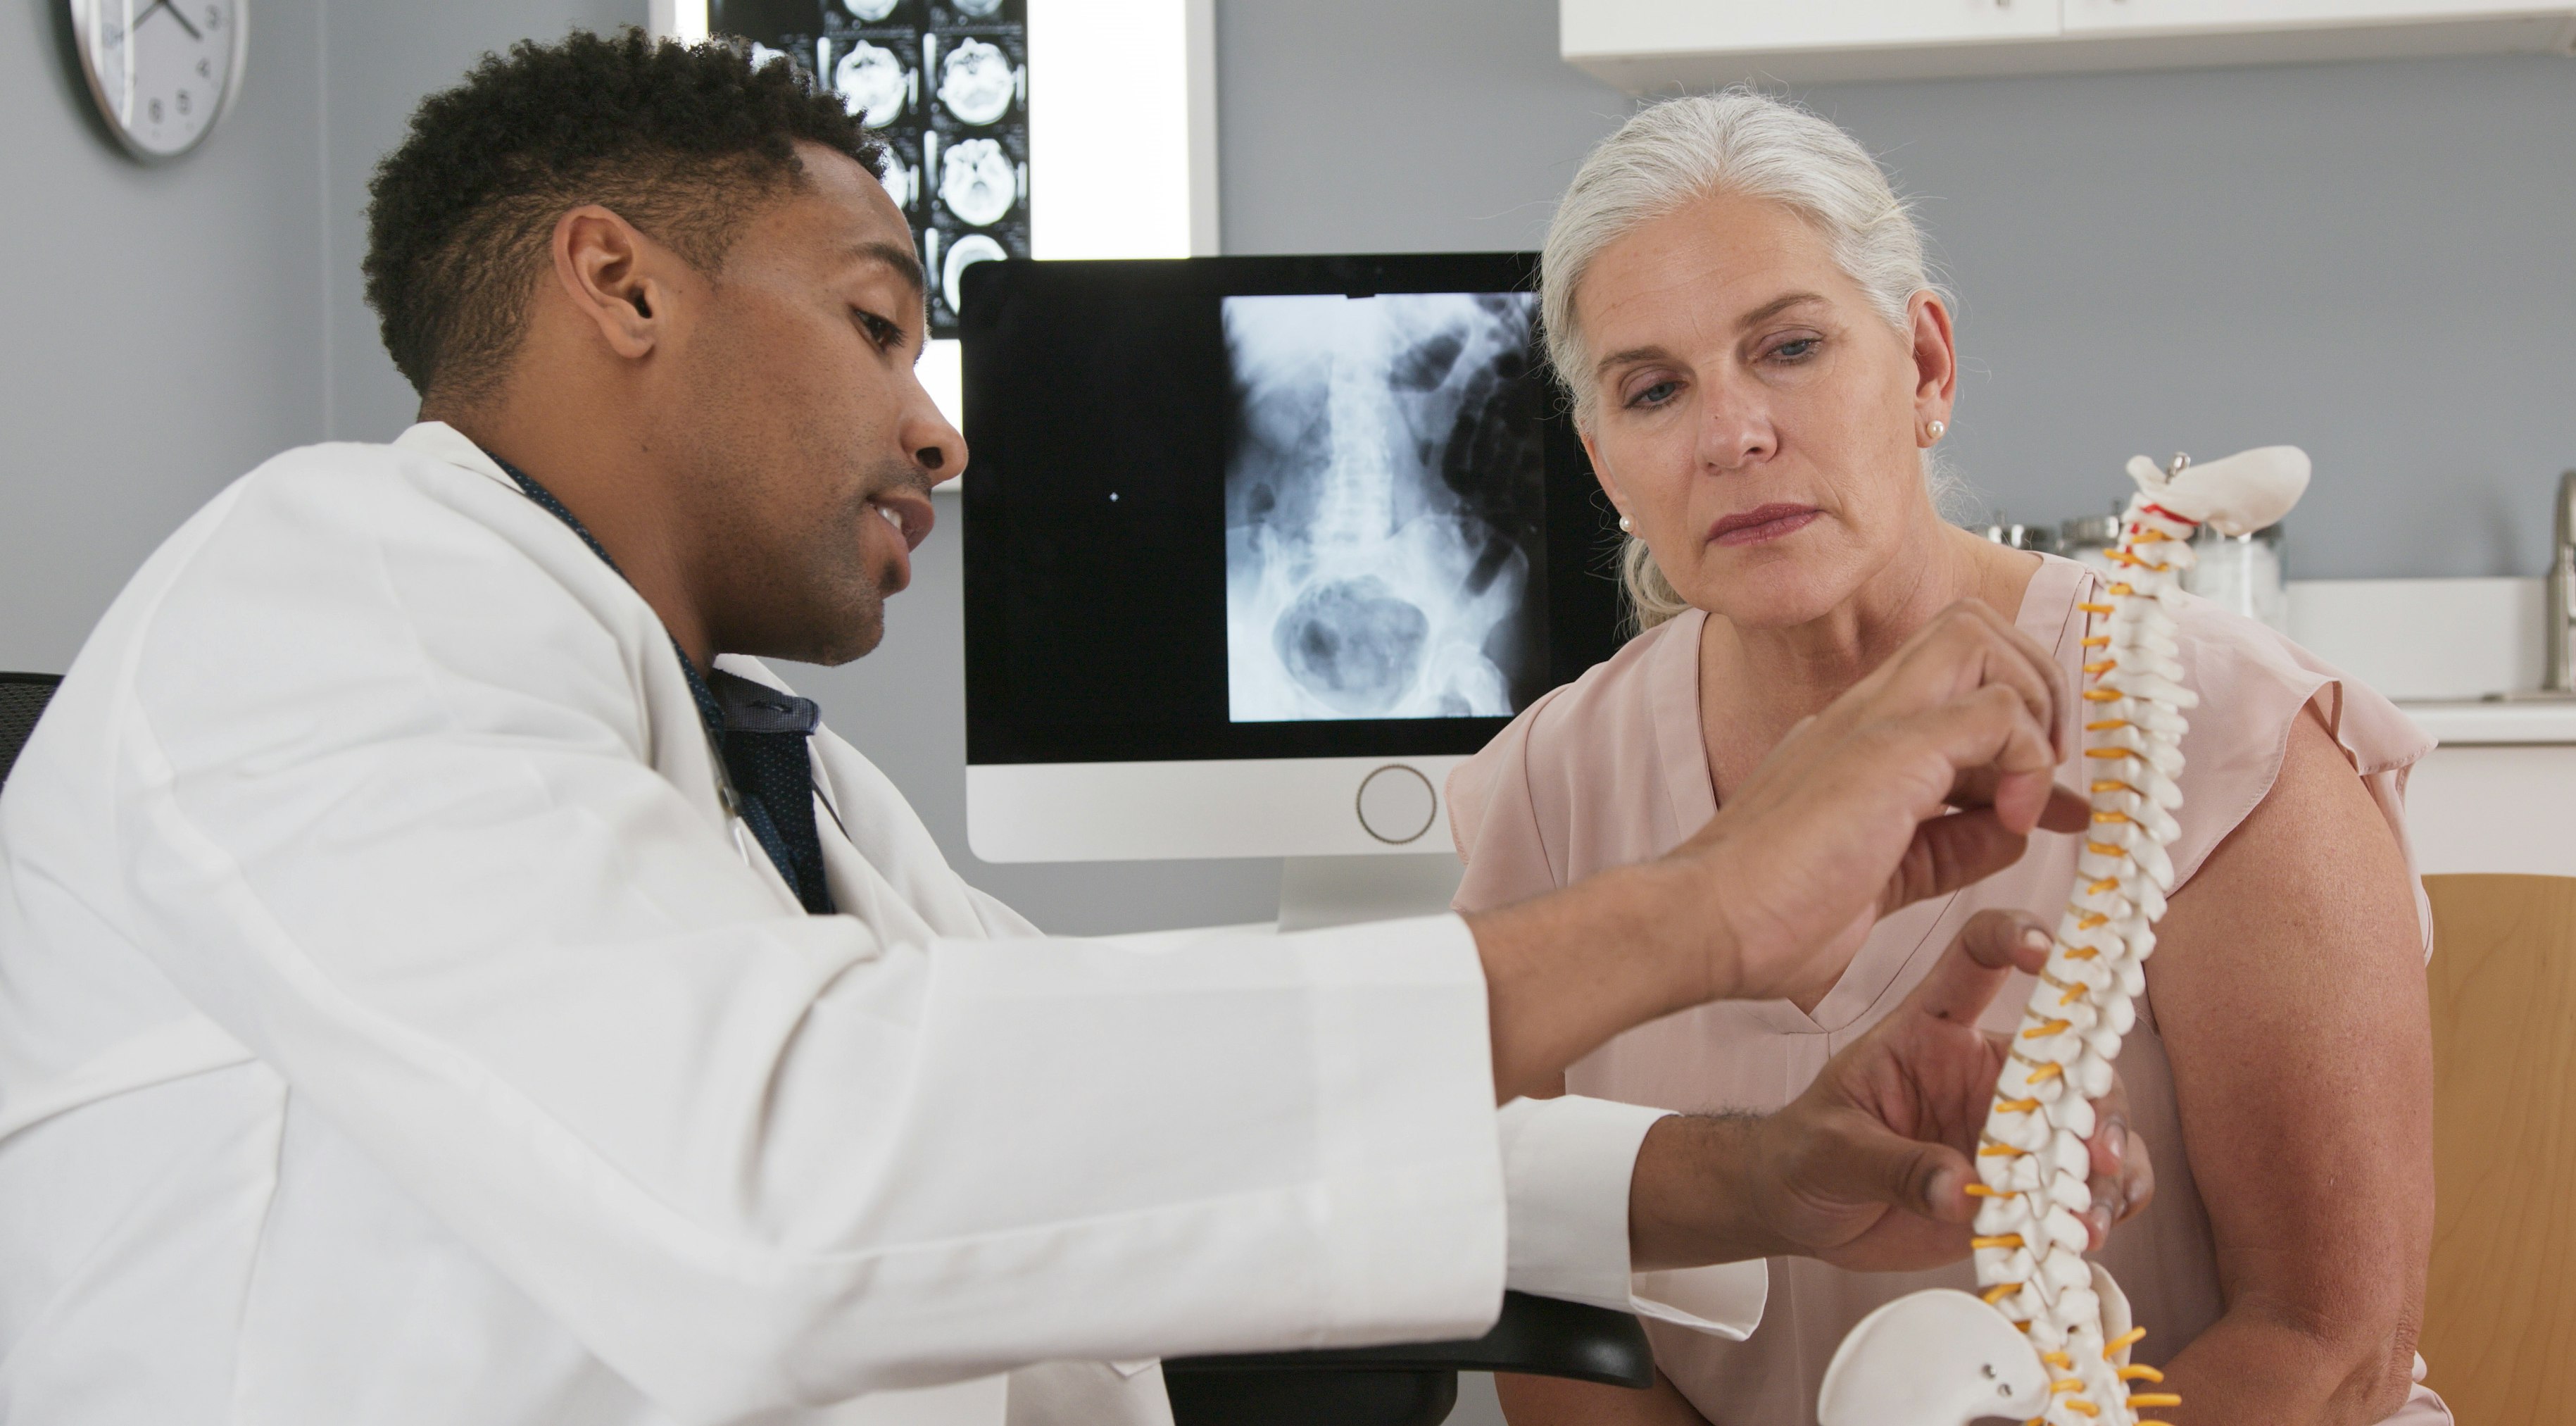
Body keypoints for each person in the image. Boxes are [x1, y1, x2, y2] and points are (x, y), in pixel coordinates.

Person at [0, 35, 2149, 1426]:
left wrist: (1744, 1173)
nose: (940, 426)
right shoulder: (324, 588)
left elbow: (1111, 1090)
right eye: (873, 324)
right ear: (619, 286)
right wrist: (1691, 915)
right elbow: (782, 1174)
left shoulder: (787, 790)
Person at [1448, 91, 2447, 1426]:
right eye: (1654, 389)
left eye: (1790, 347)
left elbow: (2332, 1342)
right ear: (1603, 459)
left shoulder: (2220, 731)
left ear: (1925, 364)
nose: (1732, 434)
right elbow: (1541, 1300)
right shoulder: (1548, 789)